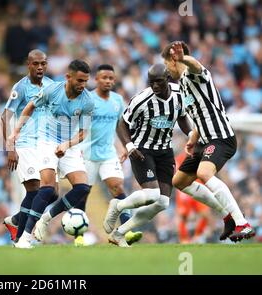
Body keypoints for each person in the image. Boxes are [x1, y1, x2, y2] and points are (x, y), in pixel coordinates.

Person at [162, 41, 255, 242]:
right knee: (179, 181)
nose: (167, 69)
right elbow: (199, 114)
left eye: (168, 64)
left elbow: (196, 64)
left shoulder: (194, 75)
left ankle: (243, 224)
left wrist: (184, 58)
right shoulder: (183, 87)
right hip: (204, 141)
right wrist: (192, 138)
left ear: (176, 60)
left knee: (204, 173)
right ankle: (227, 215)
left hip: (221, 137)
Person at [105, 64, 192, 247]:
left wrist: (191, 135)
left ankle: (119, 233)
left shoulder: (180, 94)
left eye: (159, 82)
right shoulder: (142, 100)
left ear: (168, 78)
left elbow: (182, 116)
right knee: (152, 194)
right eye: (152, 82)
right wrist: (129, 146)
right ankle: (118, 206)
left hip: (165, 151)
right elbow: (122, 123)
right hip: (142, 150)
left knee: (162, 203)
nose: (155, 86)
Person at [10, 59, 94, 248]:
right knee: (47, 188)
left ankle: (46, 218)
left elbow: (83, 133)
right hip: (46, 141)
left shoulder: (87, 101)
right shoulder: (52, 90)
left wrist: (67, 144)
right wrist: (16, 130)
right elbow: (30, 106)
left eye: (85, 81)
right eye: (79, 81)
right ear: (68, 77)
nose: (83, 85)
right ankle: (24, 237)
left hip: (68, 143)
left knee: (82, 188)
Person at [75, 64, 142, 246]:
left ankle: (126, 231)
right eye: (104, 77)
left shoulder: (118, 100)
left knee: (117, 187)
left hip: (108, 153)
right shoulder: (86, 99)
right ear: (96, 79)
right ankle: (79, 235)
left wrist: (125, 146)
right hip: (86, 154)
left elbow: (120, 125)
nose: (108, 81)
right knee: (82, 193)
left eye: (111, 78)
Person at [1, 49, 54, 242]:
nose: (40, 67)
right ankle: (22, 238)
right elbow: (4, 117)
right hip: (25, 145)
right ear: (28, 65)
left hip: (46, 145)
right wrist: (10, 148)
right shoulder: (20, 87)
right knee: (34, 190)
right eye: (36, 64)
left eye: (43, 63)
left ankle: (15, 220)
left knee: (52, 193)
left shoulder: (51, 85)